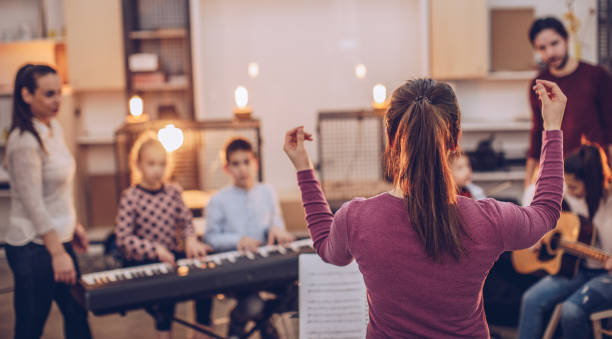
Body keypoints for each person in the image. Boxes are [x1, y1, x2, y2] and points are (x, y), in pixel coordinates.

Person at [283, 78, 566, 338]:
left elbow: (324, 245)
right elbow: (546, 212)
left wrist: (304, 170)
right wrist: (552, 128)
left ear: (391, 139)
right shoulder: (488, 219)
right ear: (456, 139)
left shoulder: (356, 218)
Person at [3, 64, 92, 339]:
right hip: (33, 247)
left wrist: (72, 224)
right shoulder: (24, 142)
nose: (58, 101)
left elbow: (58, 189)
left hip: (58, 240)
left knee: (78, 316)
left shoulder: (53, 126)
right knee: (31, 326)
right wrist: (57, 253)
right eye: (49, 94)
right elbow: (34, 204)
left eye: (59, 93)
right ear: (27, 95)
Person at [115, 133, 212, 339]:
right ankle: (164, 333)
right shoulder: (131, 197)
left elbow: (186, 221)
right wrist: (154, 250)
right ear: (138, 164)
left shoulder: (173, 192)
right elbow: (123, 239)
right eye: (151, 164)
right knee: (165, 297)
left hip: (170, 256)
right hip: (144, 263)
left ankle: (201, 332)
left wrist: (190, 240)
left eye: (162, 164)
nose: (157, 169)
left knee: (205, 282)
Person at [517, 143, 612, 339]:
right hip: (579, 269)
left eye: (573, 186)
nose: (568, 191)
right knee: (531, 299)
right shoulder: (573, 198)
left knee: (571, 311)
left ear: (592, 182)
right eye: (566, 184)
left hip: (606, 276)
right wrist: (538, 234)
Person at [205, 137, 295, 339]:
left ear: (254, 163)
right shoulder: (218, 200)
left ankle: (254, 320)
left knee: (295, 292)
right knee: (253, 303)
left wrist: (278, 231)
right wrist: (238, 240)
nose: (242, 169)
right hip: (237, 271)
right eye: (235, 164)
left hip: (266, 266)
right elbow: (210, 238)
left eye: (246, 162)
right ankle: (245, 321)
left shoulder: (267, 192)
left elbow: (277, 223)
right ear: (227, 168)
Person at [524, 16, 612, 188]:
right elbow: (536, 135)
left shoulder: (597, 75)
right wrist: (528, 184)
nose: (550, 52)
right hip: (559, 174)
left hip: (596, 170)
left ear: (566, 40)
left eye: (554, 43)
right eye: (542, 48)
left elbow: (610, 128)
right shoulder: (538, 84)